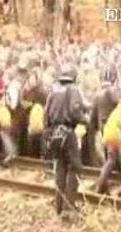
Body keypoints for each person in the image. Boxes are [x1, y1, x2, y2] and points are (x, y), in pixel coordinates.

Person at [44, 63, 88, 219]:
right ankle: (70, 208)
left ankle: (59, 205)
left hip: (54, 132)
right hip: (68, 132)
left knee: (60, 168)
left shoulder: (54, 90)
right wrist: (86, 120)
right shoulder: (73, 90)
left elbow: (46, 113)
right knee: (74, 167)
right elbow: (75, 111)